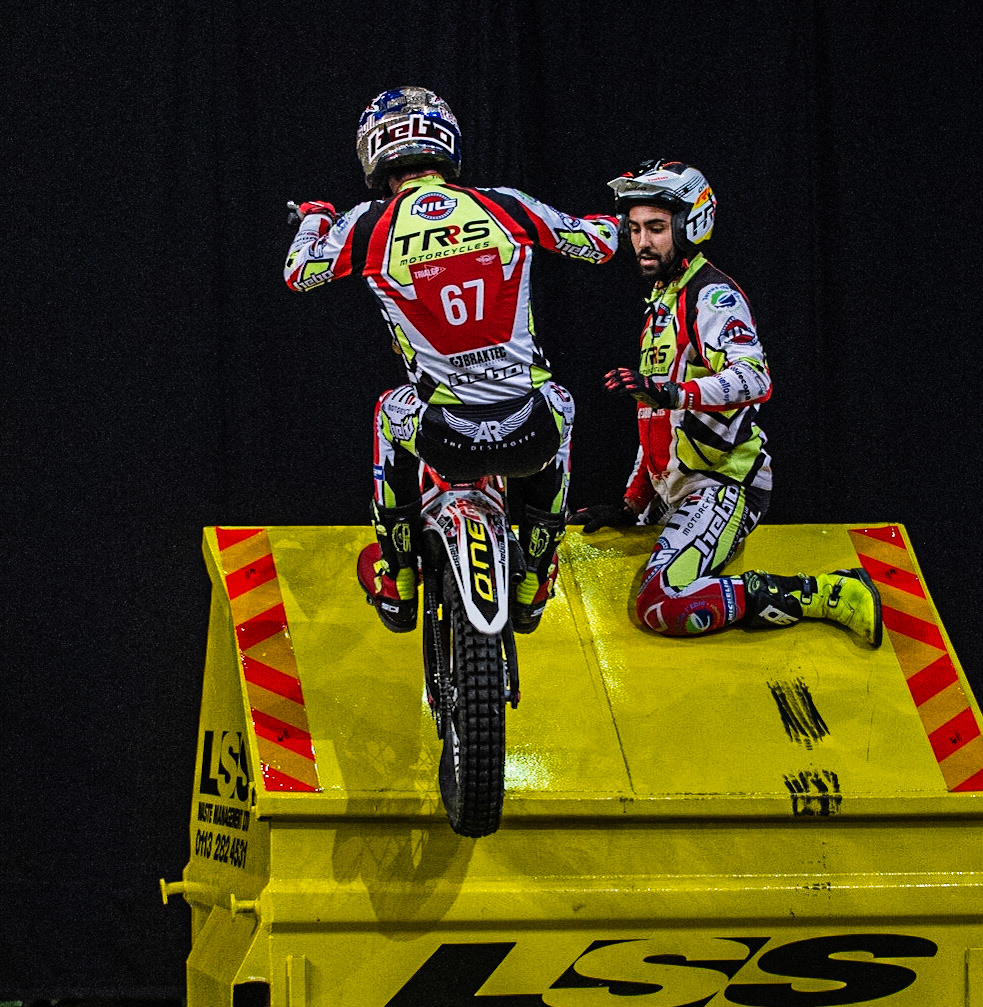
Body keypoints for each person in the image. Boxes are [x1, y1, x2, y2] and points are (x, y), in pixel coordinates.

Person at [284, 87, 619, 634]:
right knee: (562, 401)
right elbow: (600, 244)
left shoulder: (368, 226)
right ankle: (535, 572)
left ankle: (398, 577)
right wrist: (607, 221)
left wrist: (316, 220)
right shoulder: (506, 204)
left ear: (376, 151)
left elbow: (299, 273)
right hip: (527, 430)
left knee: (386, 412)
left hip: (445, 433)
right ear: (446, 143)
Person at [571, 160, 881, 647]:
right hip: (679, 490)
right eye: (633, 229)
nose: (641, 242)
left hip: (725, 485)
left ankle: (825, 592)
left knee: (660, 605)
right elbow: (656, 419)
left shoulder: (710, 295)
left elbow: (754, 378)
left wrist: (673, 391)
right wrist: (631, 504)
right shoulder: (662, 299)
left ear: (691, 226)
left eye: (655, 227)